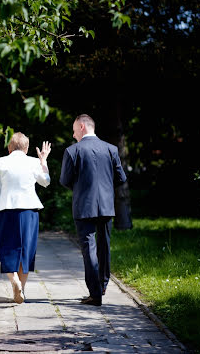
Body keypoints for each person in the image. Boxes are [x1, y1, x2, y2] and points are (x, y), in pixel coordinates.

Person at [60, 114, 127, 306]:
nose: (73, 136)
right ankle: (103, 284)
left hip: (83, 206)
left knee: (88, 248)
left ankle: (95, 293)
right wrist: (105, 187)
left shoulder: (73, 151)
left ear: (82, 127)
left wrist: (81, 187)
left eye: (74, 131)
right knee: (104, 246)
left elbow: (65, 180)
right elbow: (121, 178)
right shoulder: (111, 149)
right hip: (106, 205)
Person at [0, 132, 51, 304]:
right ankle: (22, 290)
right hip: (30, 212)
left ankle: (15, 282)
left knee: (7, 249)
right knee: (26, 252)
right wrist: (43, 161)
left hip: (7, 211)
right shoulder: (33, 162)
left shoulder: (1, 162)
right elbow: (46, 181)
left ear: (9, 147)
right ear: (27, 148)